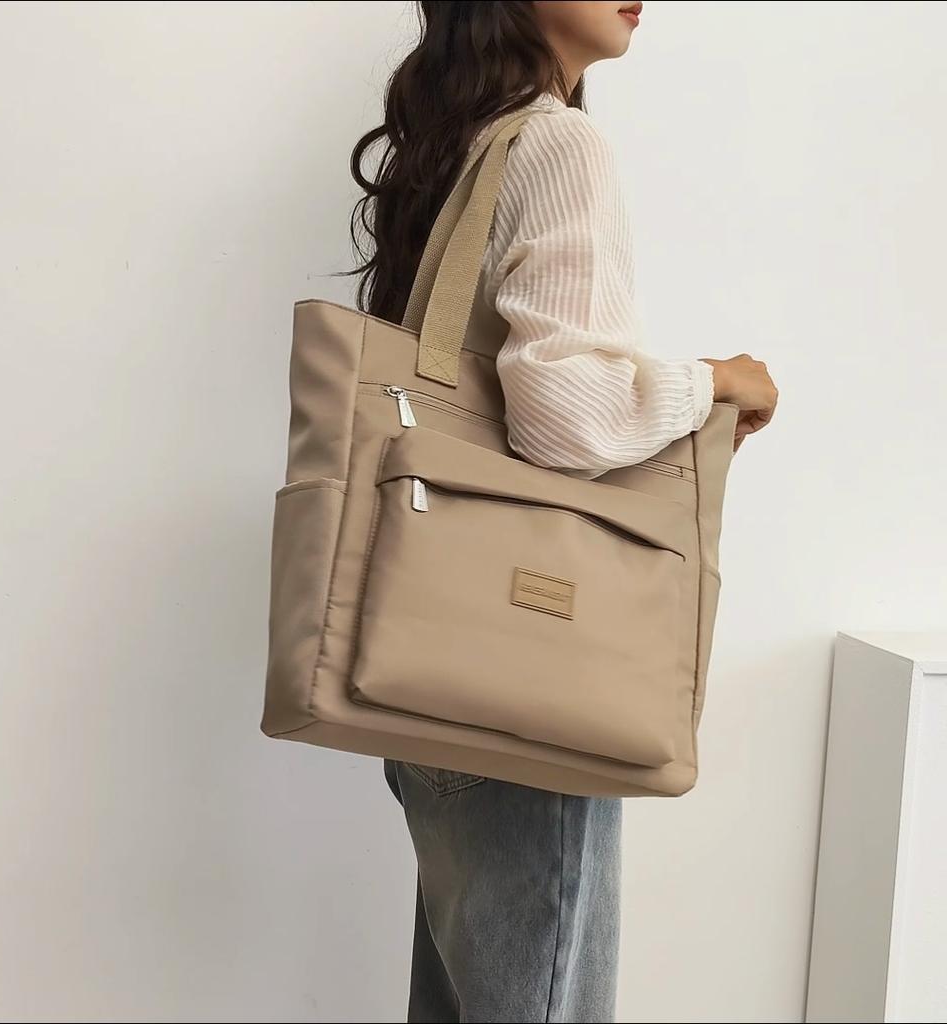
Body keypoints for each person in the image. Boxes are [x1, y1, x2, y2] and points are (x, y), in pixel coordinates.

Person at [348, 3, 778, 1021]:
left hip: (431, 659)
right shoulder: (556, 142)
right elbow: (563, 416)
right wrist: (718, 381)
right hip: (527, 667)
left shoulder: (461, 139)